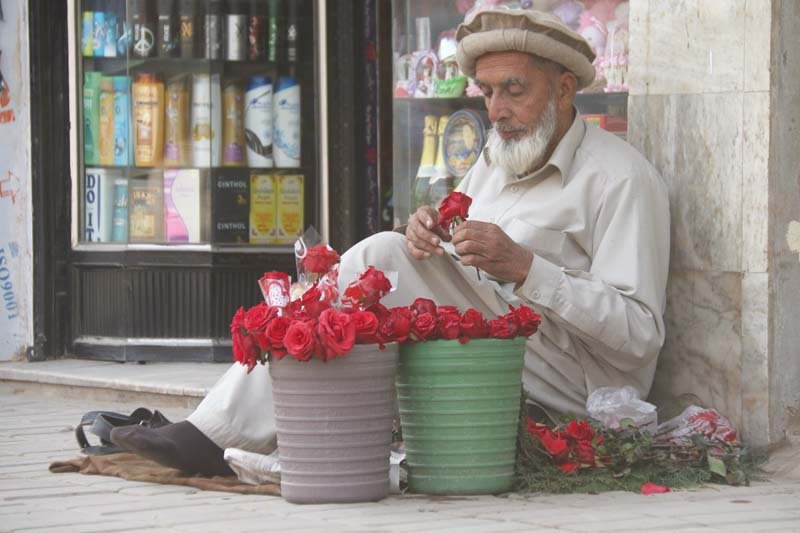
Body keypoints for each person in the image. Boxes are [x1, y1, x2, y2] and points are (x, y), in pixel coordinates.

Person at [111, 8, 669, 475]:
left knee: (378, 258)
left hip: (574, 383)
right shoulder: (498, 160)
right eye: (489, 92)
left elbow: (639, 336)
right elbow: (460, 264)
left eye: (514, 91)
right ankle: (235, 428)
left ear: (565, 87)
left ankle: (213, 435)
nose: (496, 111)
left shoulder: (621, 179)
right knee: (385, 264)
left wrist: (527, 268)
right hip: (494, 346)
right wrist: (427, 236)